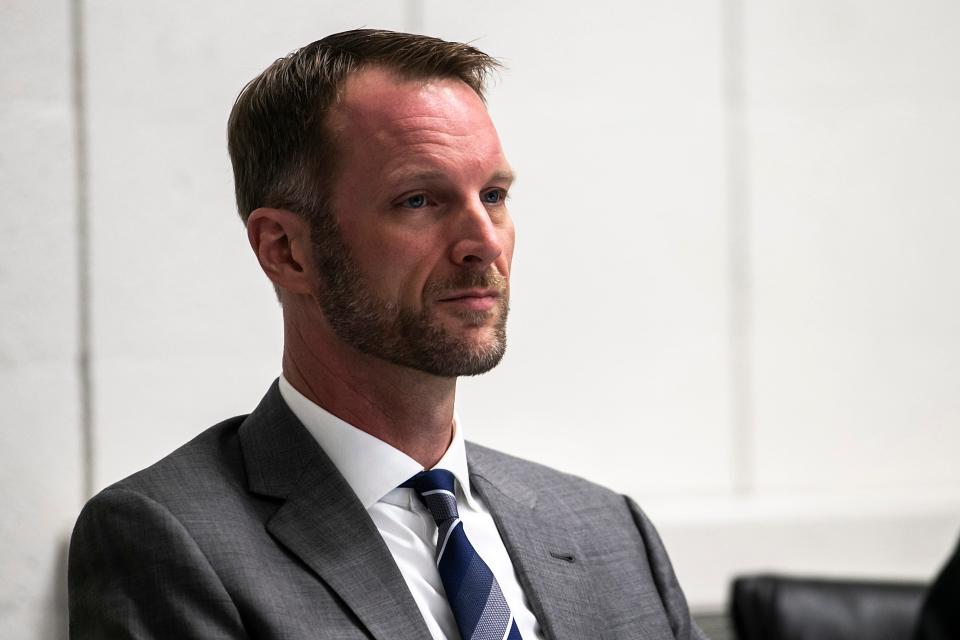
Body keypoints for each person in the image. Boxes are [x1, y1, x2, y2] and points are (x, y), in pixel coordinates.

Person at [68, 29, 707, 639]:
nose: (483, 243)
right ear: (286, 250)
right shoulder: (170, 537)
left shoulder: (610, 530)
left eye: (493, 194)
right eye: (418, 201)